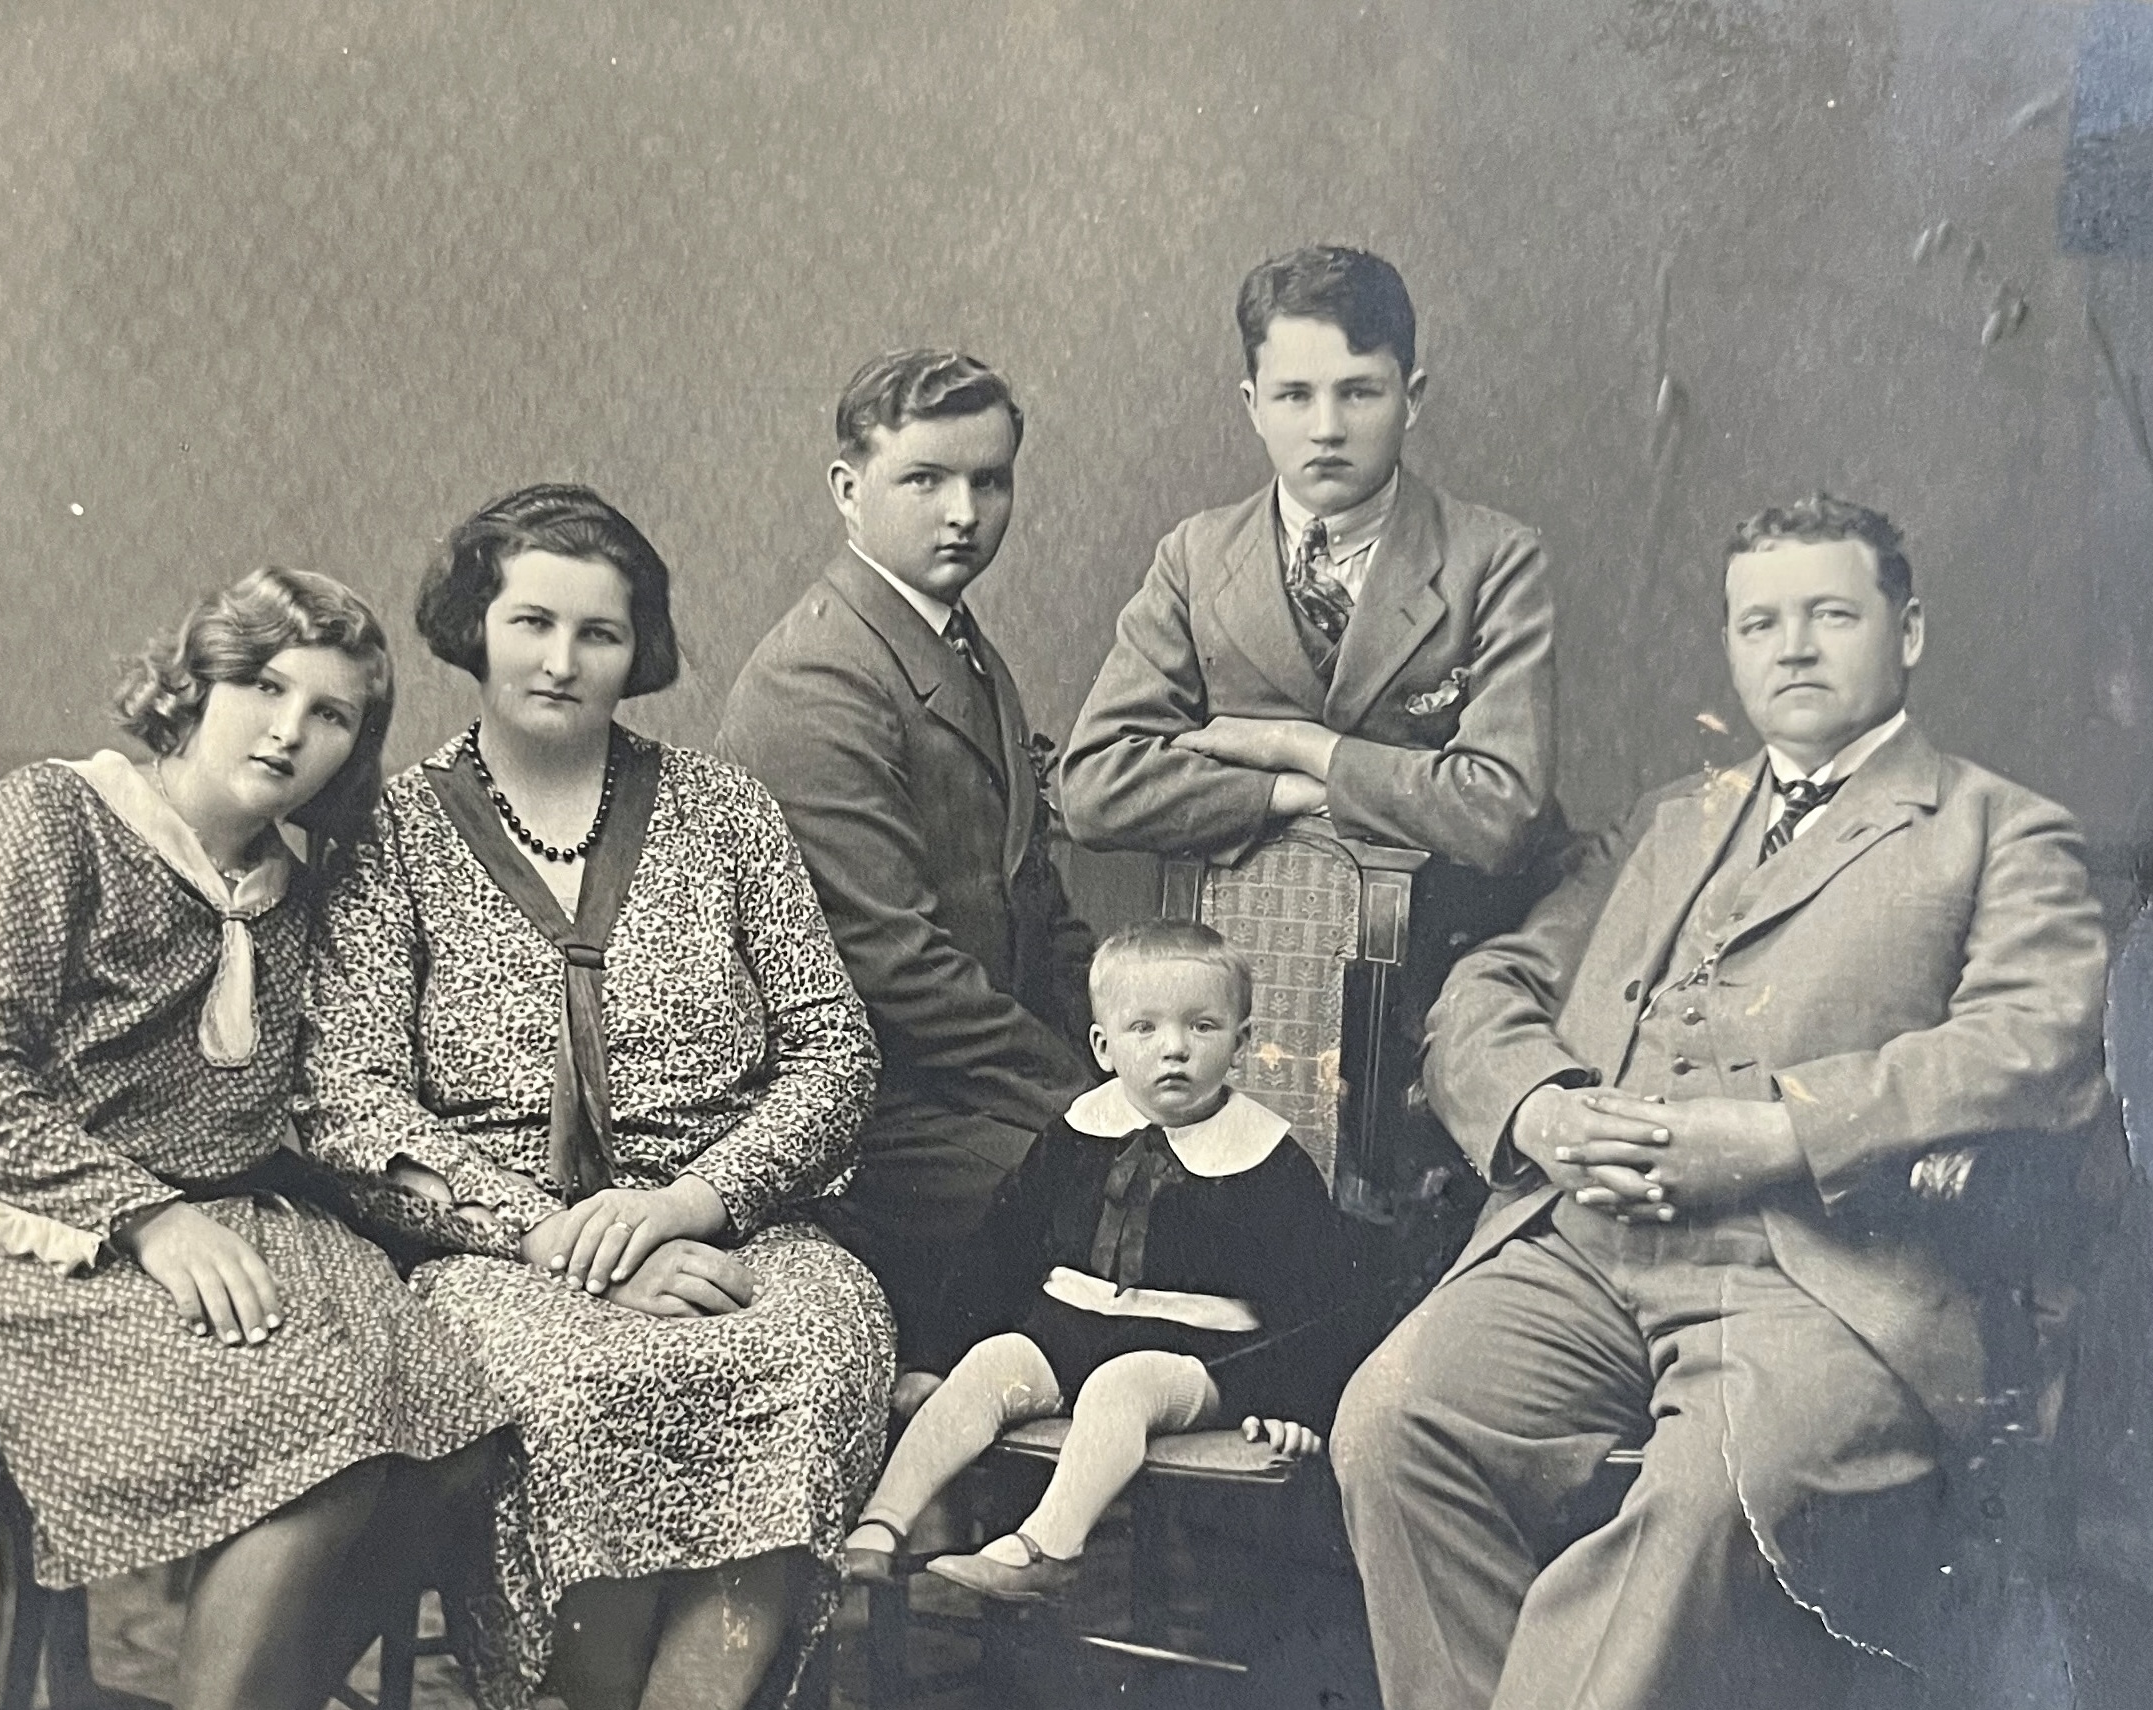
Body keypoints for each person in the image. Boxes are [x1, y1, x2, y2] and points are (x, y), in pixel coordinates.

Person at [1330, 495, 2111, 1709]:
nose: (1790, 648)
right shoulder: (1669, 818)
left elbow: (2033, 1046)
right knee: (1392, 1422)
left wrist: (1778, 1132)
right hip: (1586, 1246)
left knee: (1703, 1502)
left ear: (1906, 632)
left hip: (1820, 1275)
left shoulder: (1999, 831)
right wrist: (1538, 1108)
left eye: (1828, 616)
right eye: (1758, 624)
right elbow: (1495, 983)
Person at [0, 568, 507, 1710]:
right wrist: (148, 1219)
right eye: (264, 687)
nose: (288, 730)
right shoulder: (49, 818)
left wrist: (523, 1223)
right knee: (323, 1429)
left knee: (453, 1432)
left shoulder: (300, 894)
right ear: (196, 685)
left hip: (212, 1209)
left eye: (330, 714)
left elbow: (324, 1105)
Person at [299, 483, 896, 1710]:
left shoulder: (726, 813)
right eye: (531, 622)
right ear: (474, 627)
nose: (561, 661)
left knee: (812, 1348)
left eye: (599, 633)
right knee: (577, 1387)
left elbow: (835, 1051)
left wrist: (686, 1204)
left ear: (640, 650)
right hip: (502, 1253)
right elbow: (346, 1097)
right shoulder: (392, 831)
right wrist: (558, 1237)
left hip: (736, 1232)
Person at [716, 350, 1098, 1356]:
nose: (963, 513)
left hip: (978, 1084)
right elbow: (892, 966)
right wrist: (1088, 1105)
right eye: (924, 480)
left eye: (989, 481)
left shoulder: (954, 643)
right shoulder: (818, 675)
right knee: (1148, 1217)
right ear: (848, 490)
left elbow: (1038, 904)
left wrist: (1126, 1050)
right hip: (879, 1119)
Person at [841, 920, 1345, 1601]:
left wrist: (1291, 1405)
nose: (1174, 1048)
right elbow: (999, 1251)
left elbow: (1317, 1303)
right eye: (1144, 1028)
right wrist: (935, 1355)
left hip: (1199, 1359)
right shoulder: (1078, 1133)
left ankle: (1048, 1547)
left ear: (1242, 1043)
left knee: (1120, 1384)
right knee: (990, 1363)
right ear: (1104, 1048)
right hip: (1069, 1331)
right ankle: (880, 1527)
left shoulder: (1269, 1162)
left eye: (1202, 1026)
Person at [1060, 242, 1561, 887]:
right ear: (1253, 406)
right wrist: (1285, 793)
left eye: (1358, 393)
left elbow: (1501, 808)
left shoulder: (1493, 560)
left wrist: (1298, 746)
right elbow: (1095, 786)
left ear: (1411, 399)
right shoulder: (1195, 557)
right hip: (1240, 932)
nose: (1327, 428)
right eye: (1295, 395)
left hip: (1441, 937)